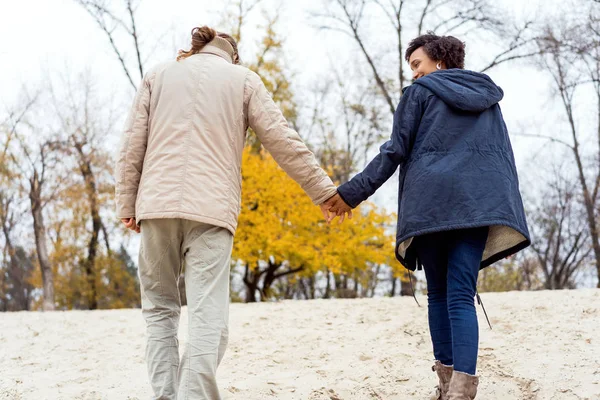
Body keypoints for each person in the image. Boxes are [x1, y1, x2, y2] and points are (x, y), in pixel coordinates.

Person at [115, 26, 344, 400]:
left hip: (155, 206)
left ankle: (166, 395)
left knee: (159, 309)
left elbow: (131, 144)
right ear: (232, 55)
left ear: (196, 48)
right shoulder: (243, 80)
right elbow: (283, 141)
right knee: (207, 312)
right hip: (212, 211)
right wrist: (324, 192)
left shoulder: (158, 74)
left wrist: (127, 203)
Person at [326, 33, 530, 400]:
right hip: (476, 209)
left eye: (417, 64)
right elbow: (502, 162)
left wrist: (350, 194)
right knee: (461, 297)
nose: (415, 74)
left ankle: (446, 384)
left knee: (439, 295)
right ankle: (461, 391)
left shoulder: (417, 94)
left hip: (431, 207)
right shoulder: (488, 99)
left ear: (438, 60)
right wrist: (507, 218)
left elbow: (393, 152)